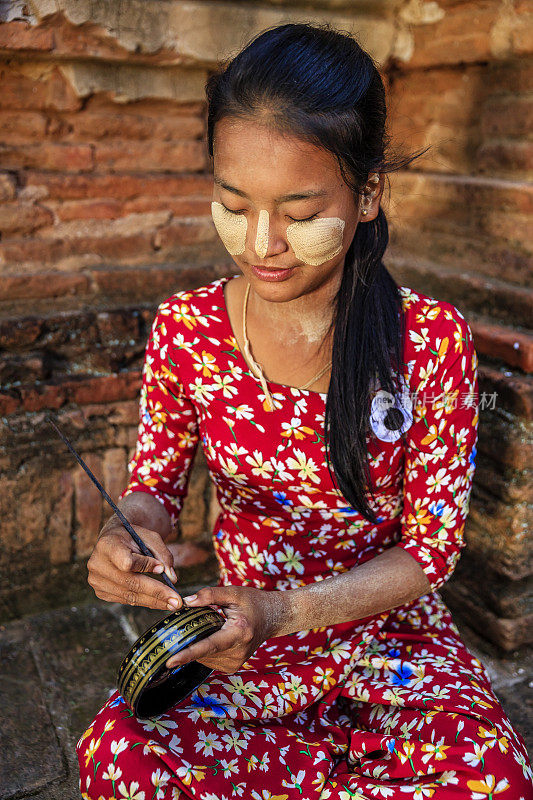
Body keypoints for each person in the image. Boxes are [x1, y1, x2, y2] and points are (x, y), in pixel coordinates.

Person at [76, 22, 533, 800]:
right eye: (231, 202)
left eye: (297, 210)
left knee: (492, 776)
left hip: (385, 641)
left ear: (368, 194)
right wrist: (131, 531)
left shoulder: (429, 343)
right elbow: (153, 488)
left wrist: (286, 610)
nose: (260, 243)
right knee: (118, 754)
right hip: (239, 647)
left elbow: (429, 554)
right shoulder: (188, 330)